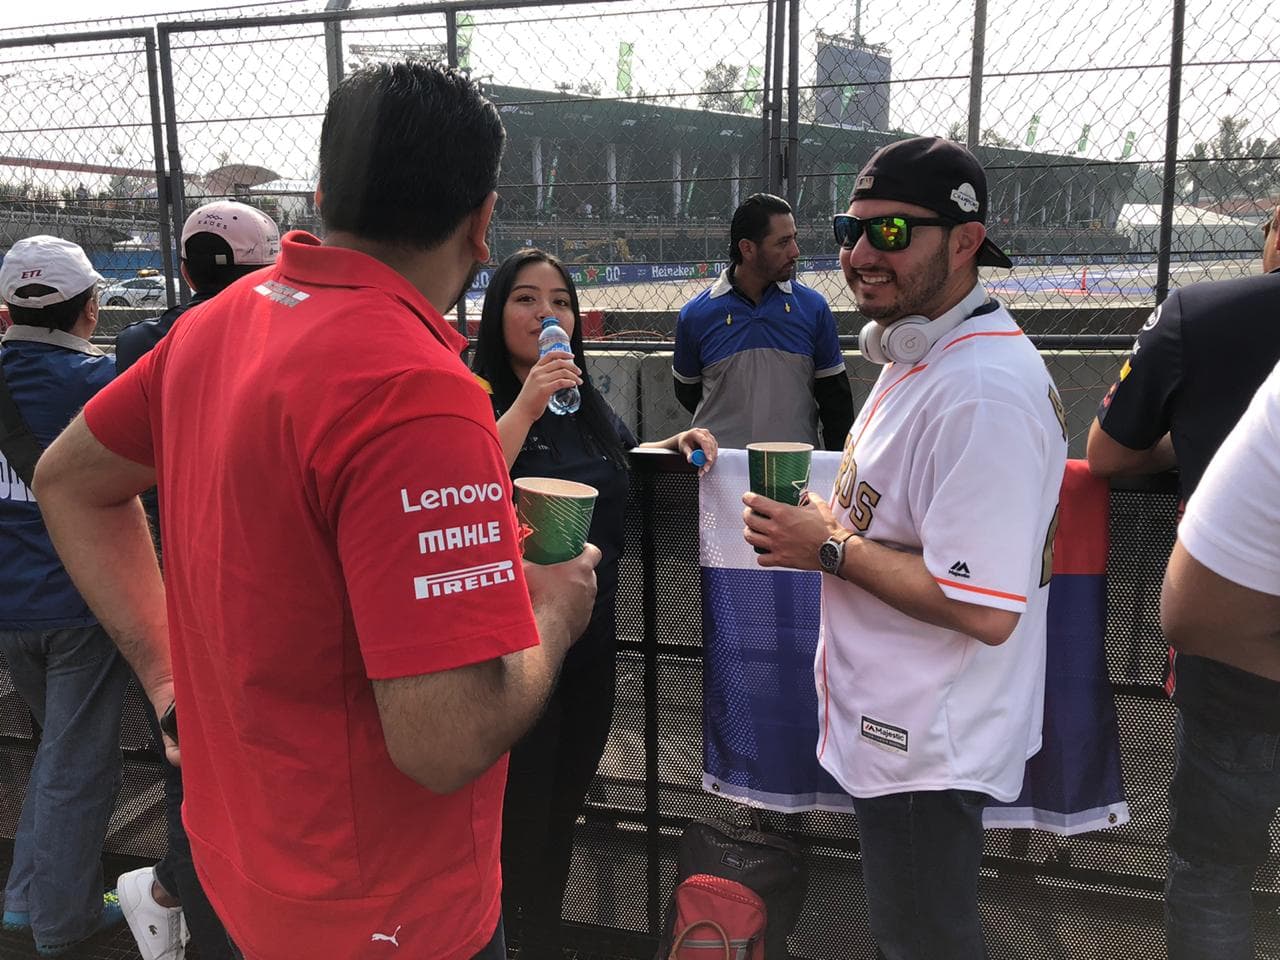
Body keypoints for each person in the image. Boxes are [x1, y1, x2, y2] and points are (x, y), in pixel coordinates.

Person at [32, 62, 599, 960]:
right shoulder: (419, 390)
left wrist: (165, 673)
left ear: (326, 192)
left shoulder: (217, 323)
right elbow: (443, 740)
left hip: (231, 875)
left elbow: (67, 480)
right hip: (387, 921)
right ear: (484, 223)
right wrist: (553, 615)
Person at [741, 137, 1066, 960]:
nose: (856, 254)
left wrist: (831, 547)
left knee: (925, 943)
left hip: (929, 744)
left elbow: (983, 607)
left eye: (890, 234)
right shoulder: (921, 350)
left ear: (965, 241)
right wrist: (829, 526)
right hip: (904, 729)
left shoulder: (980, 391)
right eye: (851, 230)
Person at [472, 248, 716, 960]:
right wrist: (527, 401)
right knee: (516, 813)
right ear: (497, 312)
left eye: (560, 302)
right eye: (526, 299)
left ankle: (539, 937)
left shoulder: (583, 404)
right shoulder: (477, 394)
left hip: (589, 639)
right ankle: (505, 939)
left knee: (561, 806)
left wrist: (678, 444)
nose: (547, 315)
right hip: (512, 642)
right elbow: (469, 477)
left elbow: (623, 459)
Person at [1087, 203, 1280, 960]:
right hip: (1227, 649)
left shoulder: (1202, 313)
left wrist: (1203, 440)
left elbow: (1106, 455)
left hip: (1232, 661)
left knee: (1212, 870)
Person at [115, 199, 280, 960]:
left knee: (196, 774)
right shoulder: (269, 335)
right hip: (250, 581)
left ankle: (183, 905)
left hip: (171, 584)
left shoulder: (147, 342)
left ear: (184, 267)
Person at [0, 235, 127, 956]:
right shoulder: (103, 384)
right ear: (90, 310)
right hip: (82, 600)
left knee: (55, 753)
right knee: (78, 764)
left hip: (9, 604)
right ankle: (62, 920)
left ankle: (24, 901)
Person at [673, 193, 852, 450]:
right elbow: (688, 392)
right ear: (747, 248)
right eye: (783, 243)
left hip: (794, 471)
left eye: (794, 239)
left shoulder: (813, 308)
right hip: (719, 470)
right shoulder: (695, 315)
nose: (795, 252)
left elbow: (835, 402)